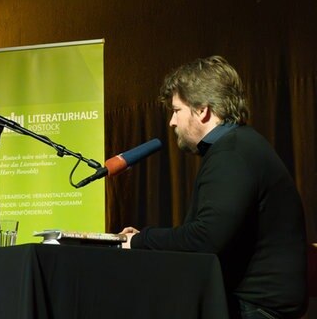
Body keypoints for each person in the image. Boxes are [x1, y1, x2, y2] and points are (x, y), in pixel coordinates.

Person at [120, 56, 307, 318]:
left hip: (254, 310)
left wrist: (139, 241)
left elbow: (205, 238)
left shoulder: (232, 153)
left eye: (176, 111)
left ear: (203, 111)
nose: (172, 122)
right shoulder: (240, 145)